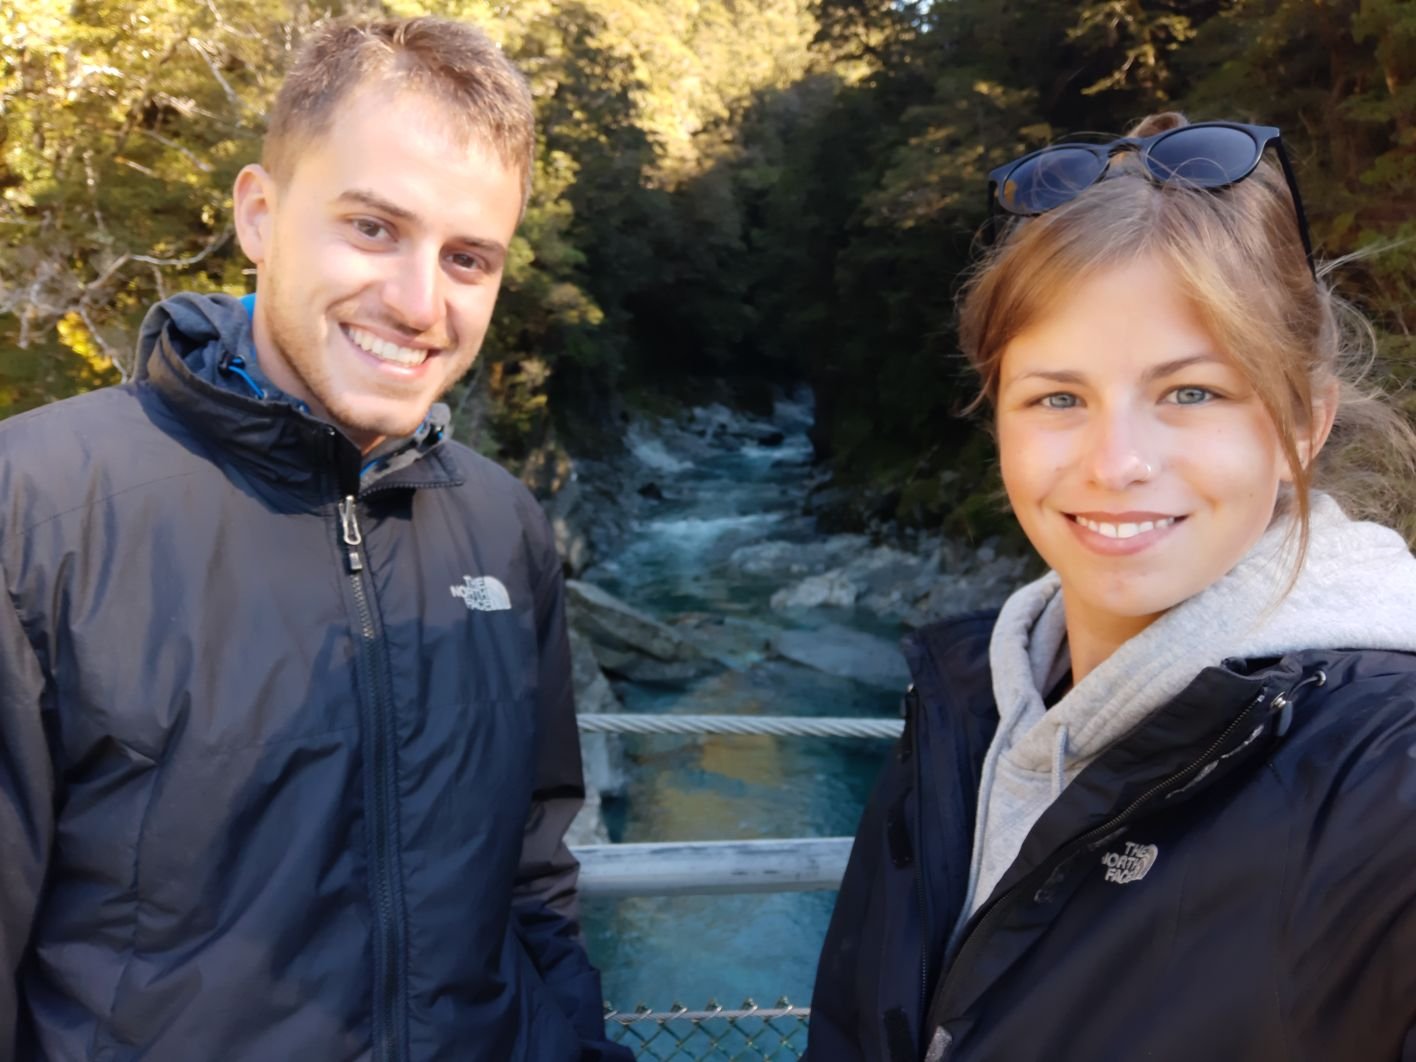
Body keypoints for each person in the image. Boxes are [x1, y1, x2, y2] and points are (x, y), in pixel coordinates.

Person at [0, 16, 630, 1061]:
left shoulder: (501, 529)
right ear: (259, 214)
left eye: (468, 258)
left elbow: (532, 879)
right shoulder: (36, 514)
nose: (419, 303)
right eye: (373, 228)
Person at [807, 113, 1416, 1061]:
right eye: (1058, 398)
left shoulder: (1382, 771)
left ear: (1304, 422)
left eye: (1191, 393)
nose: (1115, 462)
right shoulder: (973, 706)